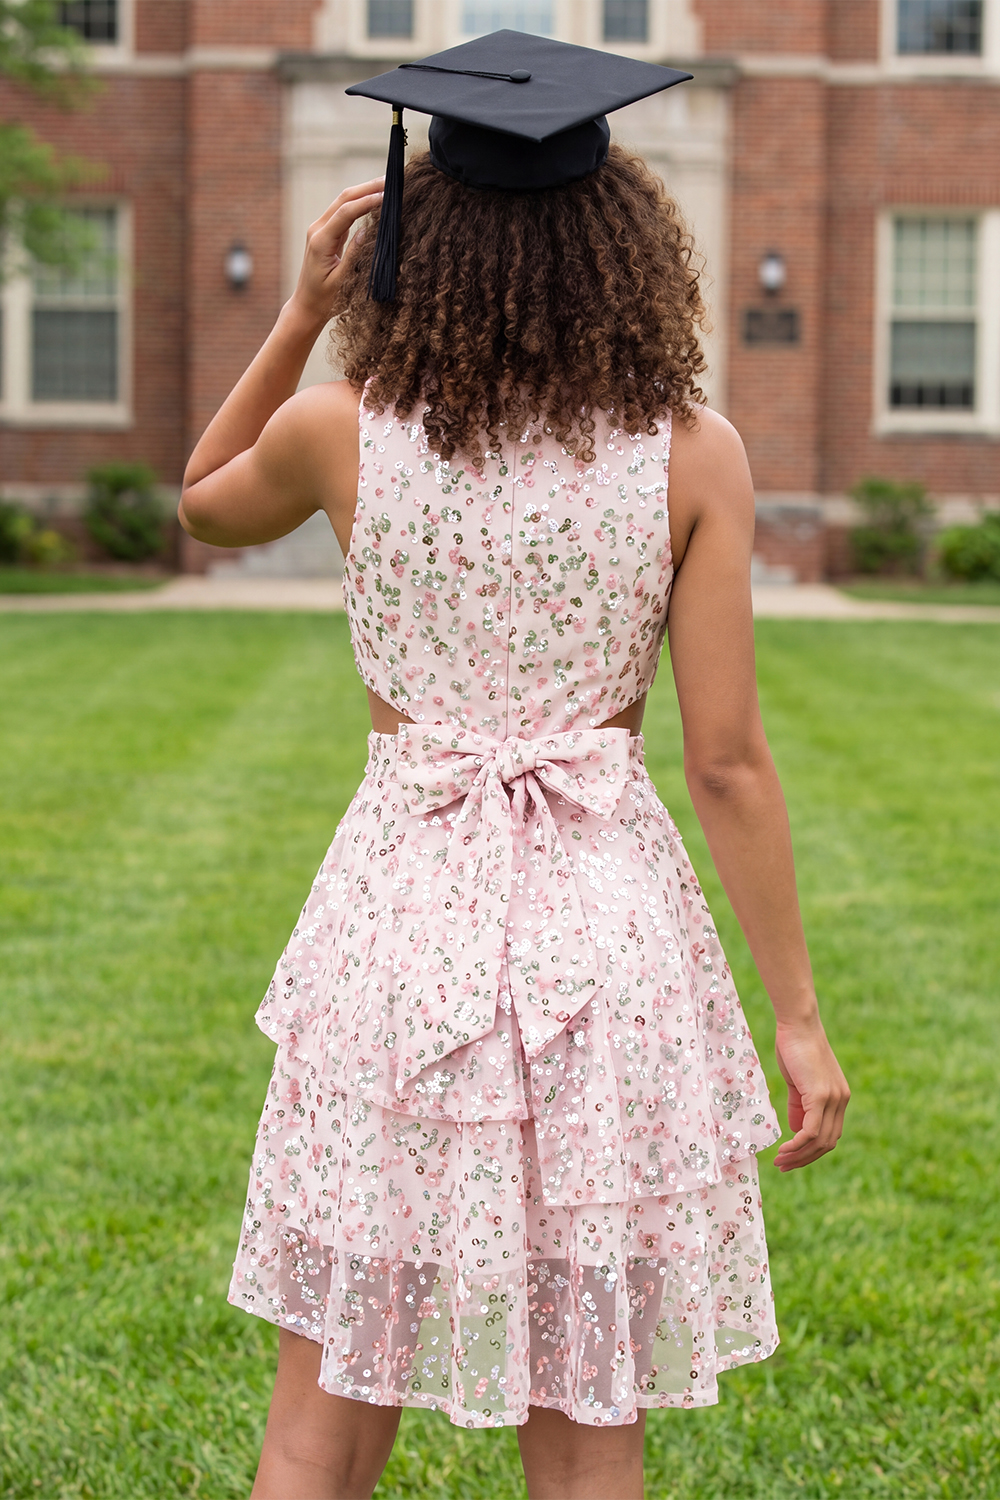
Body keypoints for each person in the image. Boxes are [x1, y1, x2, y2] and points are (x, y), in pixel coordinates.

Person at [179, 31, 849, 1500]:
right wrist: (794, 1020)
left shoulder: (341, 434)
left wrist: (295, 317)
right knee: (587, 1410)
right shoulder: (696, 453)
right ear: (627, 253)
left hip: (396, 932)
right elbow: (727, 763)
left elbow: (202, 506)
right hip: (602, 950)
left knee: (322, 1416)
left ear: (425, 253)